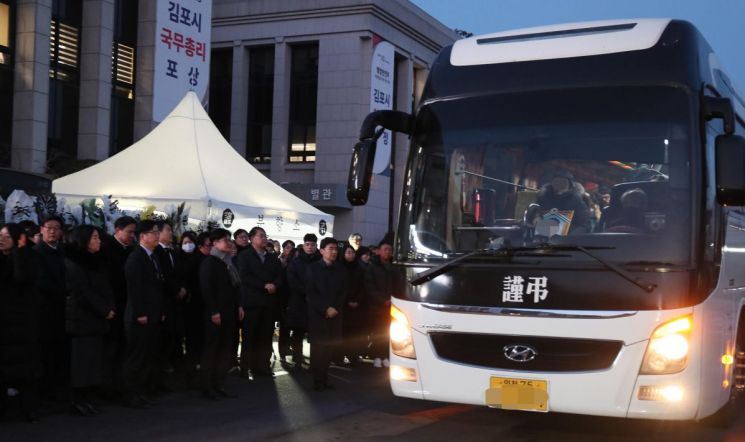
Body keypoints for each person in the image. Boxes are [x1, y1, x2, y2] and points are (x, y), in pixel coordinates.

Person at [64, 225, 115, 417]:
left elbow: (105, 287)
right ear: (83, 240)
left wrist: (110, 307)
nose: (98, 241)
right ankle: (77, 400)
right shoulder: (73, 263)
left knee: (93, 362)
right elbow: (82, 292)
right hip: (82, 319)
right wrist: (104, 310)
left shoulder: (98, 261)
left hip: (97, 319)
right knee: (81, 363)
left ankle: (88, 398)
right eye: (94, 238)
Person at [0, 223, 42, 423]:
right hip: (4, 323)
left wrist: (20, 251)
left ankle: (29, 408)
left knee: (26, 371)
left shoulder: (28, 258)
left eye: (7, 236)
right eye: (0, 235)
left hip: (23, 323)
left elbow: (21, 278)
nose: (2, 240)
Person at [122, 220, 165, 408]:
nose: (157, 236)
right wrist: (140, 312)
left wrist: (160, 311)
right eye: (154, 232)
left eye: (158, 232)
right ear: (142, 236)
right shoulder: (136, 257)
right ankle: (131, 394)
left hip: (153, 313)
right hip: (139, 316)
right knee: (137, 357)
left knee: (149, 354)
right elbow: (134, 288)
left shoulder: (153, 256)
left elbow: (157, 287)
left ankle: (143, 390)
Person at [199, 229, 244, 399]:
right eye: (225, 240)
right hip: (216, 314)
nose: (229, 242)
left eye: (229, 239)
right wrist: (214, 311)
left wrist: (239, 306)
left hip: (230, 312)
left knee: (225, 350)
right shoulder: (210, 262)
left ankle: (219, 383)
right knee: (212, 349)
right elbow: (207, 289)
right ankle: (206, 386)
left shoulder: (229, 263)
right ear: (215, 243)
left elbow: (236, 288)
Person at [237, 227, 282, 379]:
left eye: (265, 236)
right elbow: (244, 276)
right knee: (250, 337)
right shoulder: (244, 256)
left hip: (268, 303)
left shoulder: (272, 257)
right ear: (252, 238)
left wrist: (275, 285)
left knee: (265, 337)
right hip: (252, 302)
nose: (264, 239)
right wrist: (264, 285)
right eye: (260, 236)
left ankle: (263, 367)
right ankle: (245, 368)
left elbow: (280, 275)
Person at [99, 215, 136, 401]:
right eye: (128, 232)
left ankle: (119, 386)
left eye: (133, 233)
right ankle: (107, 389)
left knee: (123, 349)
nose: (131, 236)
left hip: (126, 305)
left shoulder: (131, 250)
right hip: (112, 306)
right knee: (111, 351)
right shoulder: (106, 249)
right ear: (117, 230)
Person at [33, 215, 69, 400]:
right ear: (41, 229)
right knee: (45, 353)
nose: (52, 231)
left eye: (56, 228)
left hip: (63, 310)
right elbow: (42, 282)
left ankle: (57, 389)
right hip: (46, 310)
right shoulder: (36, 253)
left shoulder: (63, 251)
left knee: (59, 352)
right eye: (49, 227)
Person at [305, 238, 348, 391]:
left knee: (329, 349)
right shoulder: (313, 268)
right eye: (331, 248)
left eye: (336, 249)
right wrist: (325, 308)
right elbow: (310, 293)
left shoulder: (341, 269)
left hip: (335, 314)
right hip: (318, 314)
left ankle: (325, 379)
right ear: (322, 251)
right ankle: (317, 381)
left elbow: (343, 291)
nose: (334, 252)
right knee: (318, 349)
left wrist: (335, 307)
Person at [154, 220, 187, 387]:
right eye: (168, 230)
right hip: (165, 301)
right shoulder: (156, 252)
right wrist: (175, 290)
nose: (171, 233)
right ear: (158, 233)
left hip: (177, 302)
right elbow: (163, 277)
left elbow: (179, 273)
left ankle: (175, 374)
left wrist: (182, 288)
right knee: (164, 340)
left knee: (175, 337)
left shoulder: (173, 251)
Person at [287, 233, 321, 368]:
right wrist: (305, 291)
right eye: (307, 244)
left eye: (312, 245)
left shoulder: (320, 261)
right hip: (298, 301)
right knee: (298, 333)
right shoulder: (296, 261)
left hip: (316, 302)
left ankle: (315, 362)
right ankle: (298, 360)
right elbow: (291, 280)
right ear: (303, 245)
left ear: (316, 246)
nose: (310, 247)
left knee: (315, 334)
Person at [178, 231, 205, 387]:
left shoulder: (200, 259)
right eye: (184, 242)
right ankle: (188, 373)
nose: (187, 245)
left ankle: (195, 371)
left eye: (190, 242)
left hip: (198, 305)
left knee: (196, 341)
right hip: (183, 305)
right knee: (188, 341)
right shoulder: (177, 258)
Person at [364, 239, 395, 368]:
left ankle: (386, 356)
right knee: (377, 332)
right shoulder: (372, 266)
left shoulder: (394, 266)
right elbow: (369, 286)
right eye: (385, 249)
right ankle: (376, 356)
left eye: (389, 250)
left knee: (389, 332)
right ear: (379, 251)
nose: (387, 252)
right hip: (376, 306)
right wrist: (382, 300)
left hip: (392, 305)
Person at [340, 243, 365, 365]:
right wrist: (347, 301)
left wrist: (358, 301)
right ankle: (340, 355)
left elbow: (363, 286)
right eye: (348, 252)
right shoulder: (339, 267)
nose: (351, 255)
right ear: (343, 254)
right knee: (343, 332)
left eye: (353, 252)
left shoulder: (359, 268)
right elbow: (339, 288)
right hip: (343, 306)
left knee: (355, 332)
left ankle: (353, 355)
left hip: (357, 306)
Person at [277, 240, 296, 365]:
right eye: (287, 247)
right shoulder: (279, 261)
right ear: (283, 249)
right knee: (284, 326)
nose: (289, 250)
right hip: (282, 297)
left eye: (291, 248)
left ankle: (288, 348)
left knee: (291, 325)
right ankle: (282, 351)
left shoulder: (294, 262)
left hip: (293, 297)